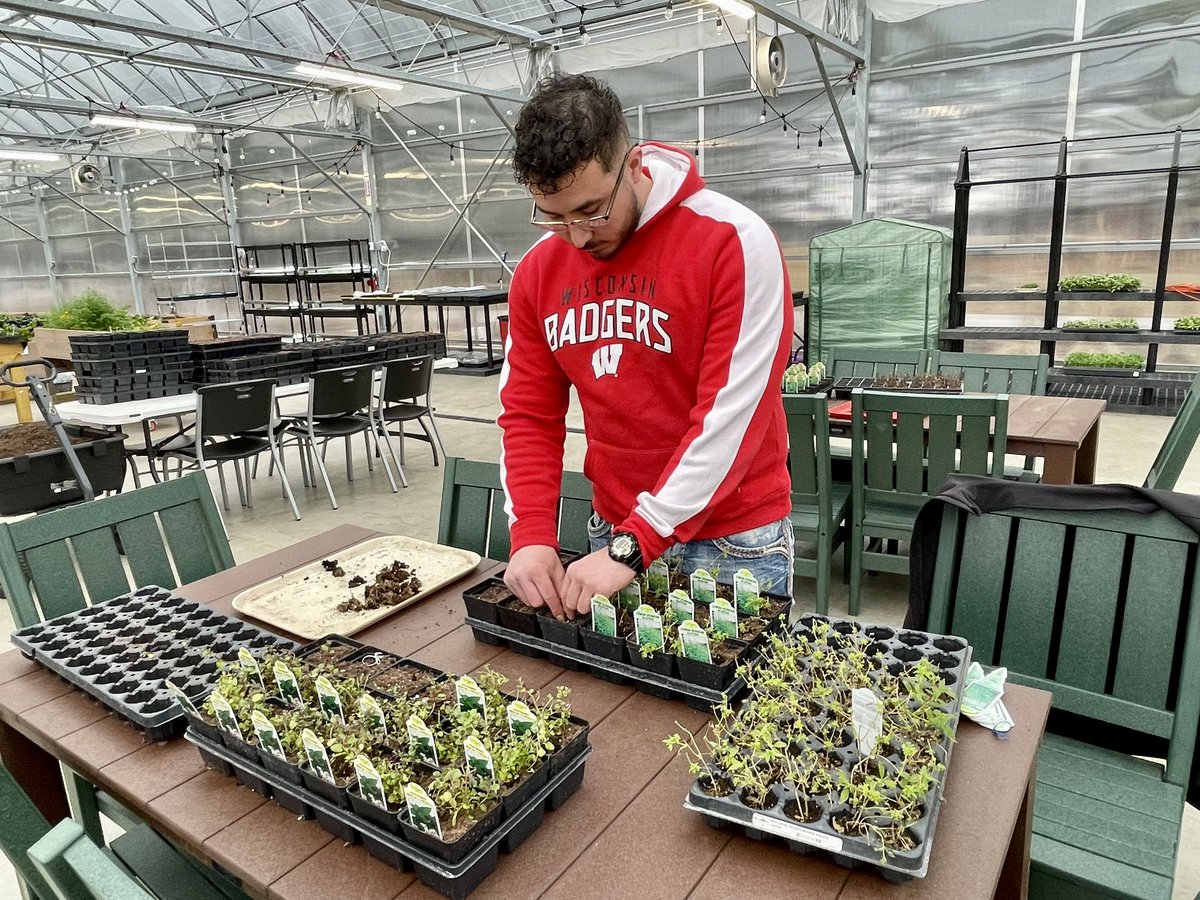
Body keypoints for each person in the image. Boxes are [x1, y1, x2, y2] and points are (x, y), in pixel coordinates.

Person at [498, 72, 795, 620]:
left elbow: (731, 418)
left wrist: (638, 543)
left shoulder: (734, 241)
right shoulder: (538, 271)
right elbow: (528, 414)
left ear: (632, 165)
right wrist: (532, 533)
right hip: (610, 532)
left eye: (591, 210)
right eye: (554, 216)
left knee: (732, 704)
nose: (578, 237)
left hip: (729, 541)